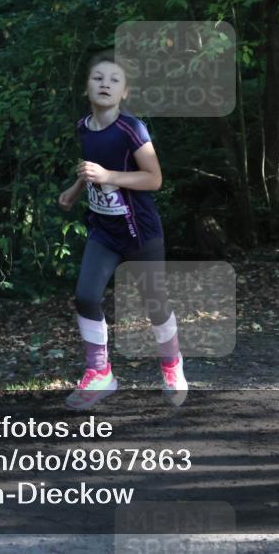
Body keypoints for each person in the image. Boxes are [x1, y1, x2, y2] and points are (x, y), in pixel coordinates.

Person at [57, 51, 186, 409]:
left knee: (154, 303)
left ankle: (172, 364)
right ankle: (100, 373)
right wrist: (75, 189)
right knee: (85, 296)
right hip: (104, 231)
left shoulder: (132, 129)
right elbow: (91, 169)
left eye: (114, 80)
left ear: (124, 92)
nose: (105, 85)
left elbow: (154, 179)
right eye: (98, 78)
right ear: (87, 87)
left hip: (140, 232)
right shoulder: (84, 127)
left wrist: (110, 177)